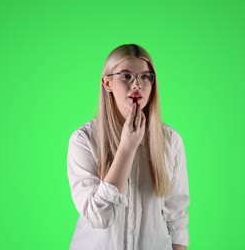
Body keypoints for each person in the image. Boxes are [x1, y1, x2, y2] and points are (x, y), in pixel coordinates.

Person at [67, 44, 189, 250]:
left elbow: (176, 214)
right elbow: (99, 216)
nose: (137, 85)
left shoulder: (170, 140)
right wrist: (127, 148)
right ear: (107, 83)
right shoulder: (84, 140)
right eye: (126, 76)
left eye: (145, 77)